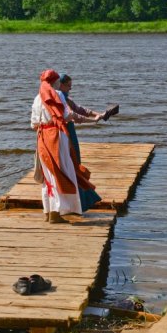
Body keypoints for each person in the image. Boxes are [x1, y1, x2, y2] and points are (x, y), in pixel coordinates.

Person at [31, 69, 99, 224]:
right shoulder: (58, 95)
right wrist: (92, 121)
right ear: (55, 82)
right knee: (61, 173)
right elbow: (69, 116)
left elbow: (33, 123)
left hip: (42, 137)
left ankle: (48, 212)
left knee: (47, 176)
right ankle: (57, 213)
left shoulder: (37, 98)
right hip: (56, 137)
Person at [59, 73, 104, 211]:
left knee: (75, 162)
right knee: (71, 164)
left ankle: (80, 199)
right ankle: (78, 201)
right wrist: (93, 119)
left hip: (70, 133)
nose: (70, 89)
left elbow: (80, 109)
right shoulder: (60, 99)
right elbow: (75, 116)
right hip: (65, 134)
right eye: (68, 86)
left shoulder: (65, 98)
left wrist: (98, 114)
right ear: (60, 85)